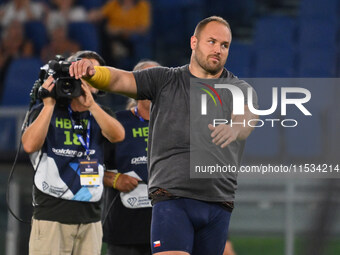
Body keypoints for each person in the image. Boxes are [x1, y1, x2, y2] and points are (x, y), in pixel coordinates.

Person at [69, 16, 258, 255]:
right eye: (212, 41)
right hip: (172, 200)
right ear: (194, 42)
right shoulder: (164, 80)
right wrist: (94, 73)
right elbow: (119, 78)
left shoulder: (239, 89)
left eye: (224, 45)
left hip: (218, 203)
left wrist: (234, 127)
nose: (218, 49)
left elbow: (248, 117)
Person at [22, 50, 125, 255]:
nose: (85, 78)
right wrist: (48, 104)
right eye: (80, 72)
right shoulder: (45, 111)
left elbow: (118, 135)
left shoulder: (102, 114)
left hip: (91, 217)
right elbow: (29, 146)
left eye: (91, 74)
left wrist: (92, 107)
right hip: (51, 214)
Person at [102, 60, 160, 255]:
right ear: (133, 87)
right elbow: (86, 167)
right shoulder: (115, 123)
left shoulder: (178, 125)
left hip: (168, 230)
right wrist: (115, 179)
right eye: (147, 80)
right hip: (123, 232)